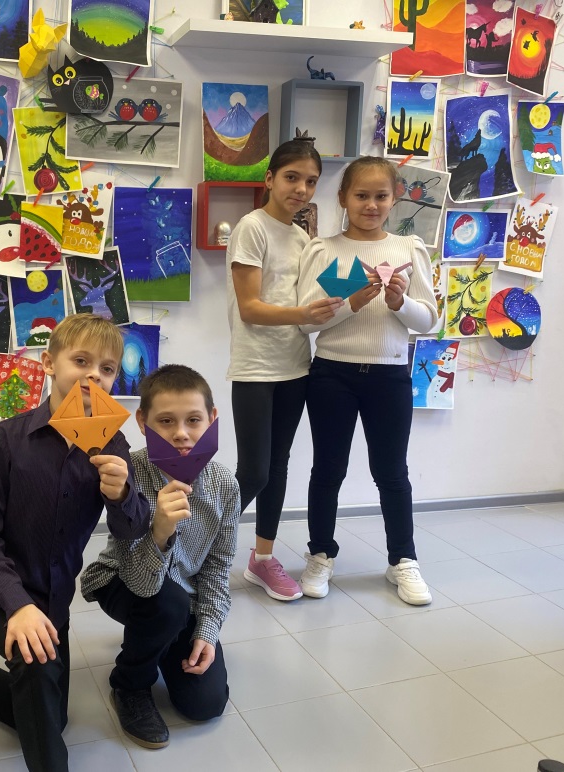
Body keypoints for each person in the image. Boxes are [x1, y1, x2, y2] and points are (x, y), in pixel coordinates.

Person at [0, 313, 150, 772]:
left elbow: (132, 531)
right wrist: (17, 605)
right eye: (81, 361)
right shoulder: (5, 441)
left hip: (53, 599)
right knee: (35, 664)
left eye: (106, 368)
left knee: (51, 716)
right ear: (48, 363)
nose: (93, 375)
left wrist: (122, 495)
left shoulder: (113, 445)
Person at [296, 156, 439, 605]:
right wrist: (353, 302)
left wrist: (399, 304)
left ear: (395, 198)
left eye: (381, 196)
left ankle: (403, 559)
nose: (371, 205)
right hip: (331, 374)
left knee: (392, 472)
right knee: (328, 470)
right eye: (361, 195)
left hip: (390, 375)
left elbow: (430, 321)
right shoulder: (323, 250)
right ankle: (320, 554)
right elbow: (306, 323)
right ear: (343, 198)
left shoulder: (409, 249)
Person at [80, 364, 239, 749]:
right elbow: (141, 584)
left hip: (181, 595)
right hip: (122, 580)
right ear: (142, 422)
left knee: (205, 704)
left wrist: (207, 630)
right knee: (167, 603)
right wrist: (160, 531)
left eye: (193, 420)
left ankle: (163, 639)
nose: (181, 433)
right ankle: (129, 684)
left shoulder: (224, 485)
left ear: (212, 419)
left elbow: (218, 569)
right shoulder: (128, 474)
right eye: (166, 421)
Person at [226, 137, 344, 602]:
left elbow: (314, 298)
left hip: (296, 366)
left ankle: (262, 558)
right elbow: (250, 307)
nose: (301, 189)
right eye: (292, 178)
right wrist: (303, 314)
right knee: (253, 471)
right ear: (270, 178)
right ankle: (193, 548)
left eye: (311, 182)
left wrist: (356, 287)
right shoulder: (251, 228)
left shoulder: (303, 239)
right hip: (255, 367)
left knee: (277, 468)